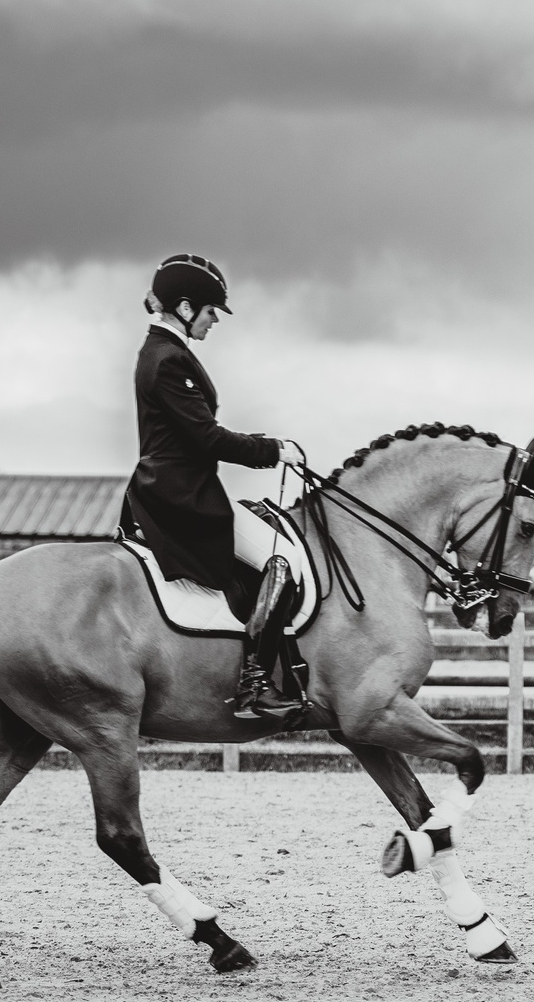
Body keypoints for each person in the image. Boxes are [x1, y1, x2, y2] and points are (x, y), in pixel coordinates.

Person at [119, 252, 301, 721]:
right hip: (181, 497)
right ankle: (254, 687)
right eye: (209, 310)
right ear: (184, 309)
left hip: (179, 489)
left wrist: (263, 443)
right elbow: (206, 437)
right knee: (280, 561)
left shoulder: (164, 353)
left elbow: (199, 431)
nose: (215, 319)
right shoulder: (165, 360)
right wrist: (273, 450)